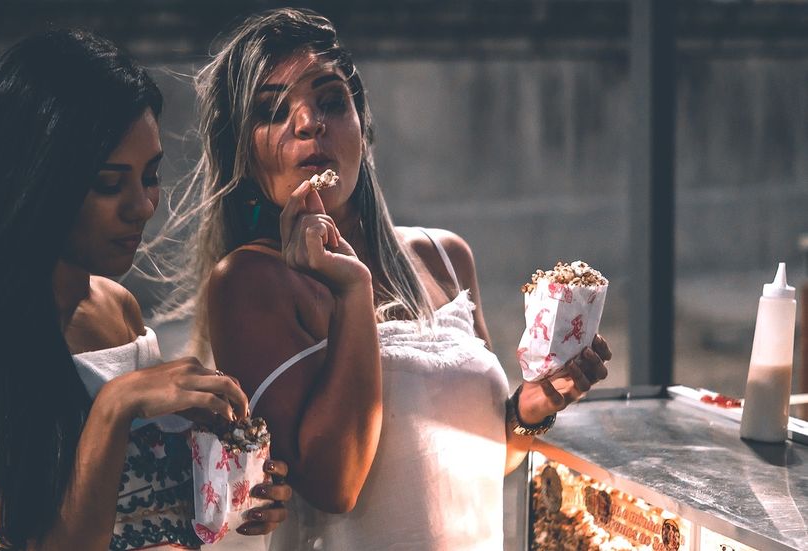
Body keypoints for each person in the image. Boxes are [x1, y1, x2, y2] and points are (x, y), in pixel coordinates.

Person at [171, 8, 612, 550]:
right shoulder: (249, 282)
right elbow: (335, 485)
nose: (309, 123)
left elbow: (481, 455)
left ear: (363, 125)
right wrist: (351, 290)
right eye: (273, 111)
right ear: (244, 152)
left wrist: (530, 410)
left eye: (331, 101)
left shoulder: (445, 256)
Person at [0, 29, 289, 551]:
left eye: (150, 176)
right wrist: (116, 404)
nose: (142, 206)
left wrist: (235, 474)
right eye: (109, 183)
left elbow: (157, 499)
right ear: (37, 180)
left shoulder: (118, 307)